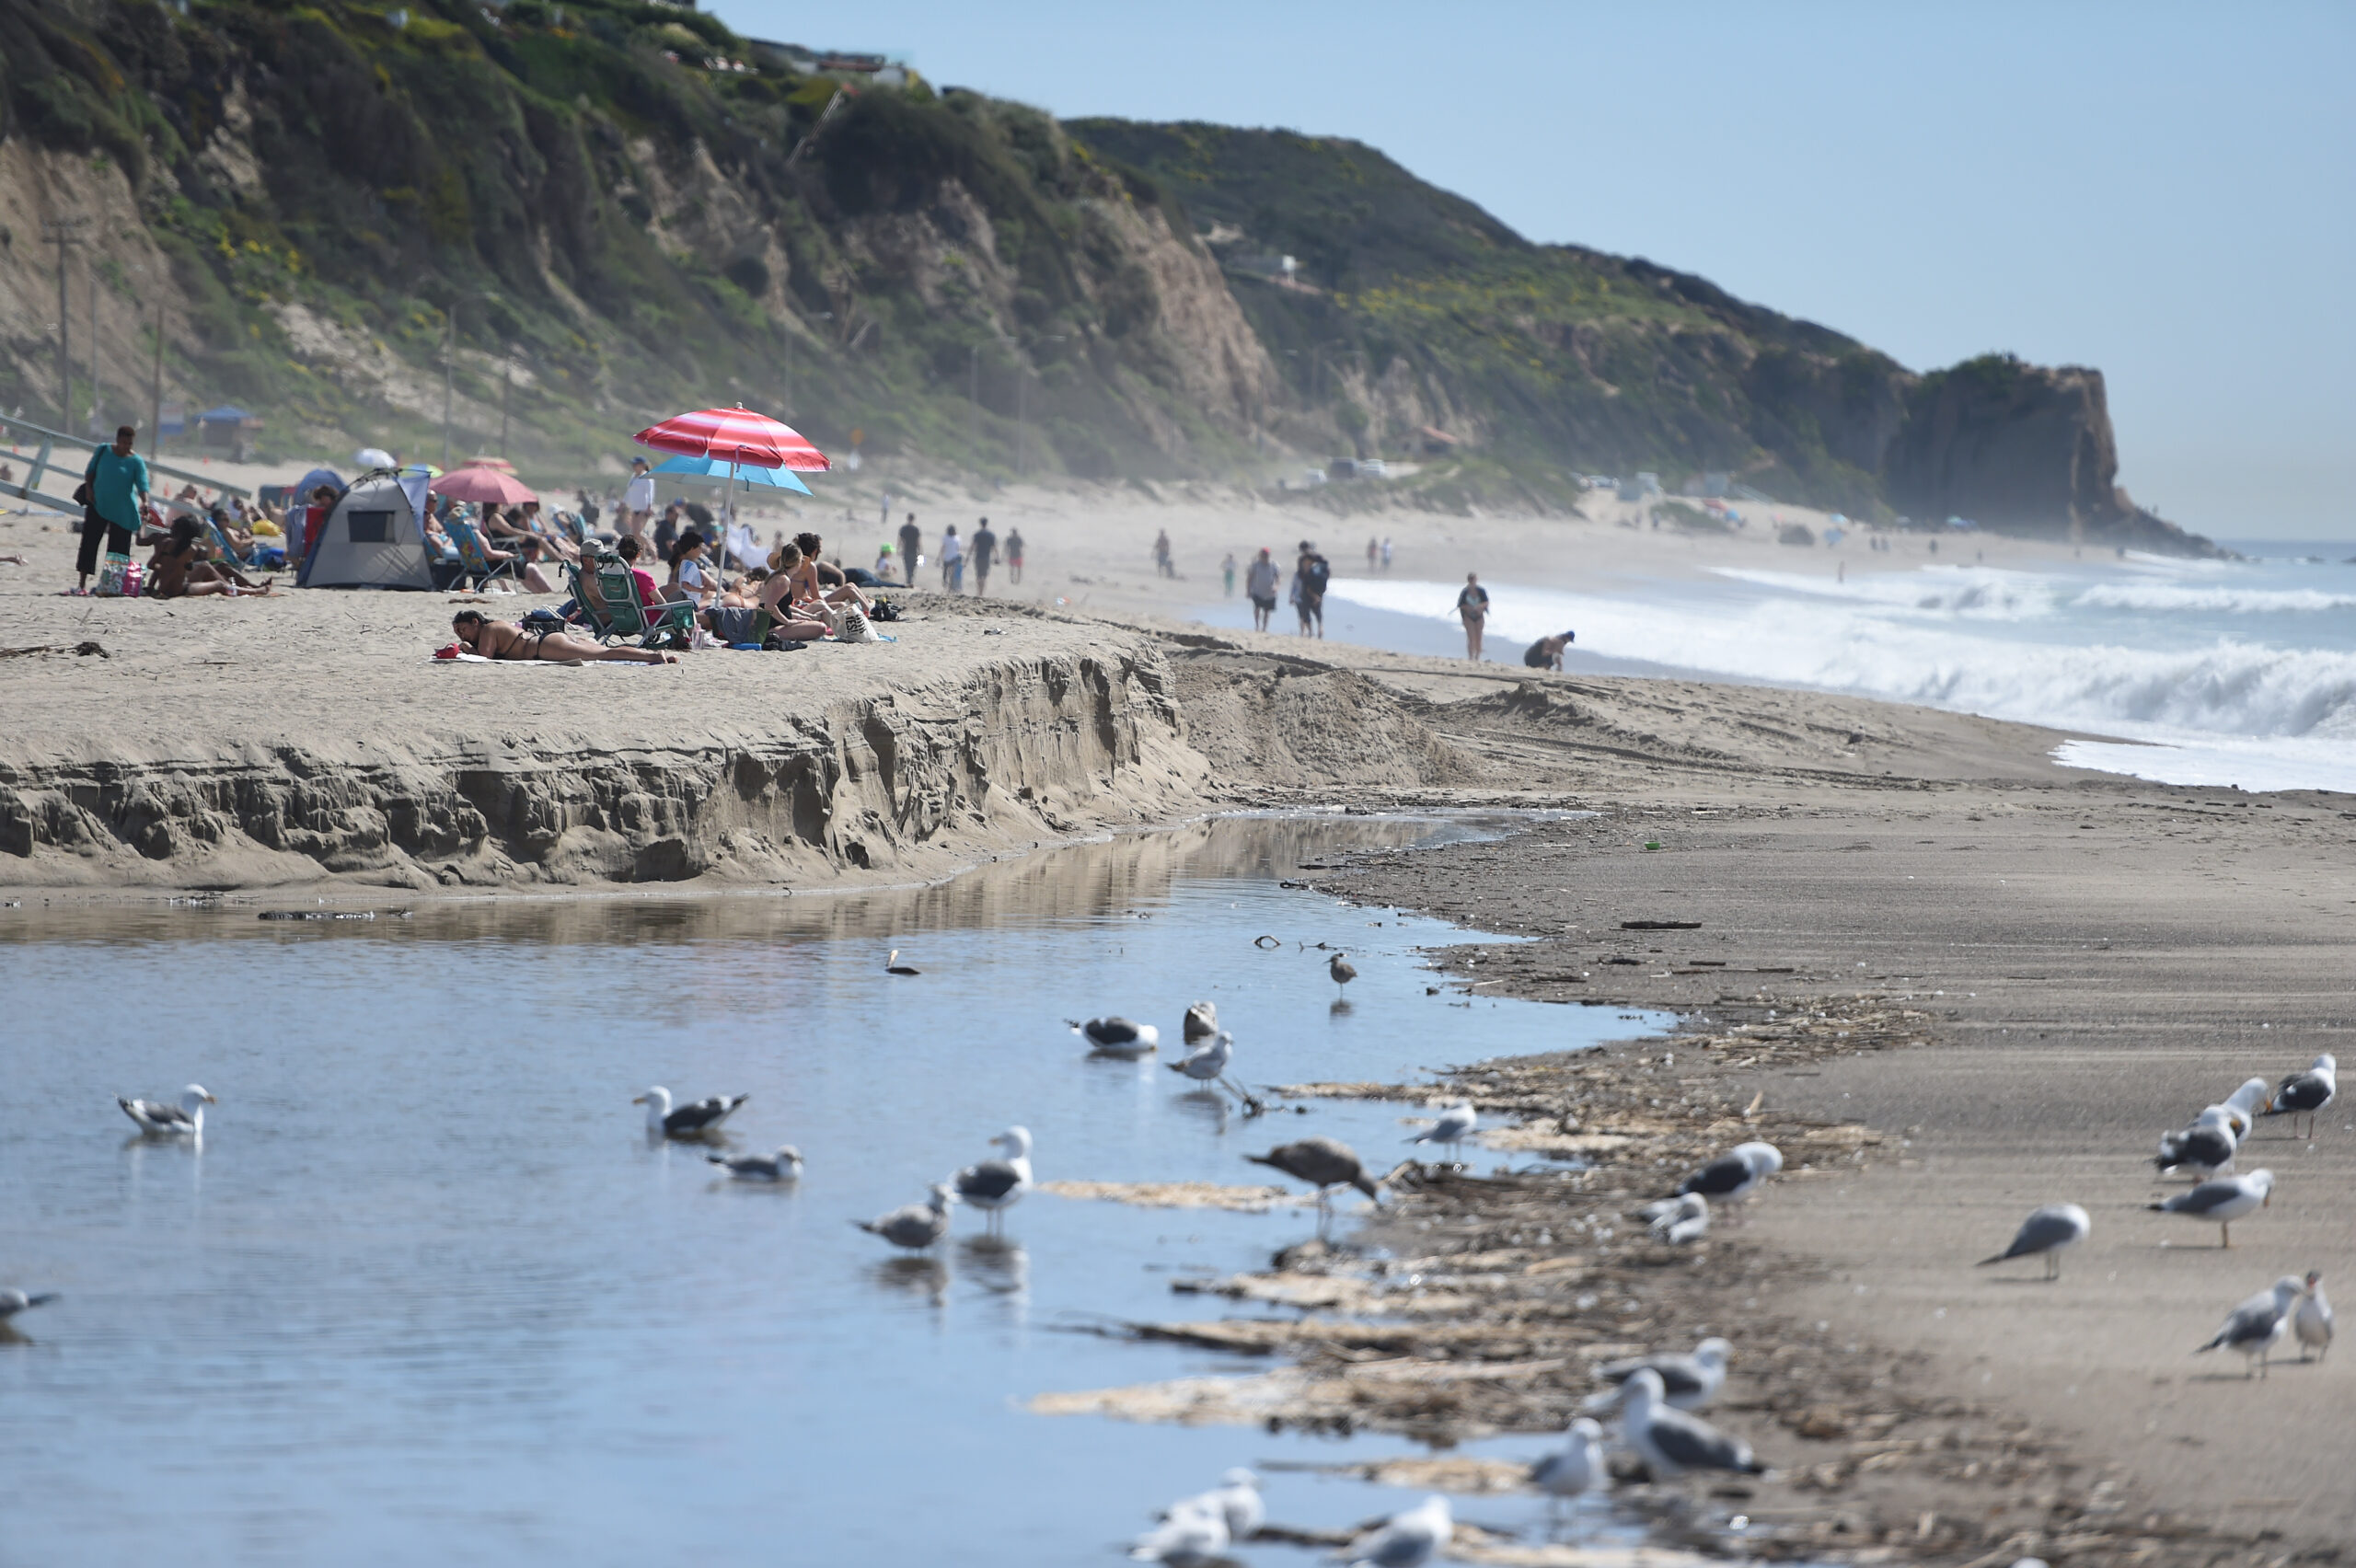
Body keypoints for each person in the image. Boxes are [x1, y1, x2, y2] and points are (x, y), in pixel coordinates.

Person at [451, 609, 677, 663]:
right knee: (600, 651)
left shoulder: (489, 629)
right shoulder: (495, 626)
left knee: (604, 653)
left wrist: (464, 647)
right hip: (547, 641)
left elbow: (485, 658)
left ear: (475, 622)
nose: (463, 635)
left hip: (545, 646)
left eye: (463, 629)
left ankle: (653, 657)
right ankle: (652, 655)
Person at [76, 424, 150, 591]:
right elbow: (90, 471)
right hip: (98, 503)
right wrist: (89, 489)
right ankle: (82, 583)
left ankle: (111, 586)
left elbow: (142, 485)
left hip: (123, 510)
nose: (126, 446)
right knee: (89, 543)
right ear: (117, 440)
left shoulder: (136, 461)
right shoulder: (103, 451)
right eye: (124, 442)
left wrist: (145, 502)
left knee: (118, 550)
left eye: (130, 443)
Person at [146, 517, 271, 598]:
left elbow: (152, 565)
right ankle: (256, 591)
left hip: (172, 586)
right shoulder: (190, 549)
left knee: (217, 566)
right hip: (179, 590)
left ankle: (251, 586)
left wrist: (159, 580)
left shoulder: (165, 543)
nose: (170, 528)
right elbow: (177, 570)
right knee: (219, 584)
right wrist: (162, 591)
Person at [667, 530, 718, 606]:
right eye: (700, 548)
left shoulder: (685, 564)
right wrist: (701, 590)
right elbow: (685, 585)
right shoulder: (690, 565)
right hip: (690, 602)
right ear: (692, 549)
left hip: (689, 600)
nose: (701, 551)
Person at [1294, 540, 1328, 639]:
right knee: (1318, 610)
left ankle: (1310, 632)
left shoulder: (1302, 559)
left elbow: (1301, 575)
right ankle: (1320, 628)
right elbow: (1327, 571)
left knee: (1306, 611)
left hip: (1307, 589)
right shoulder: (1319, 557)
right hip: (1319, 590)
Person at [1457, 572, 1490, 661]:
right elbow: (1460, 605)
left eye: (1474, 579)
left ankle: (1477, 657)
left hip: (1479, 616)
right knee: (1471, 638)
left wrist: (1479, 607)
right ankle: (1470, 657)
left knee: (1479, 637)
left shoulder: (1481, 591)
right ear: (1468, 580)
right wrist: (1469, 608)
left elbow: (1486, 602)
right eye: (1471, 579)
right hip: (1468, 616)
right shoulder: (1465, 592)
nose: (1472, 581)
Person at [1244, 547, 1278, 632]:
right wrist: (1248, 591)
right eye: (1263, 555)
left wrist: (1276, 586)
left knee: (1267, 611)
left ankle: (1264, 628)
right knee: (1257, 608)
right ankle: (1257, 625)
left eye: (1266, 555)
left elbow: (1278, 577)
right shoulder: (1255, 565)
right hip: (1257, 591)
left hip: (1269, 592)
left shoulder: (1274, 565)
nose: (1264, 557)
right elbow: (1250, 578)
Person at [621, 457, 654, 538]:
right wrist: (622, 504)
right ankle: (642, 551)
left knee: (637, 532)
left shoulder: (646, 476)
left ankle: (652, 548)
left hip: (643, 508)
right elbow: (629, 492)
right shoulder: (633, 476)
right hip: (634, 508)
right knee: (636, 534)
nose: (634, 466)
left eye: (636, 464)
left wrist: (649, 507)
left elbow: (650, 493)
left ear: (642, 465)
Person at [969, 517, 997, 594]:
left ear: (980, 523)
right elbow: (994, 547)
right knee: (984, 575)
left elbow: (973, 546)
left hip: (978, 556)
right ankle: (981, 592)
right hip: (986, 557)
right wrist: (997, 557)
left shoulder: (977, 534)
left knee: (978, 574)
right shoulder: (990, 535)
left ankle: (978, 591)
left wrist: (968, 556)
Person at [896, 513, 922, 586]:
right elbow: (918, 541)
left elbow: (900, 540)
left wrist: (898, 548)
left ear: (907, 518)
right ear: (913, 519)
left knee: (907, 566)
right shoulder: (916, 529)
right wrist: (921, 551)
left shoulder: (903, 528)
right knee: (913, 566)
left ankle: (909, 580)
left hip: (906, 550)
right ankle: (910, 580)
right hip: (914, 550)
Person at [940, 524, 964, 592]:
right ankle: (951, 587)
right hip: (954, 558)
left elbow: (943, 548)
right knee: (952, 574)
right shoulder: (957, 538)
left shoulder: (945, 537)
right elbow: (958, 548)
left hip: (946, 558)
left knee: (945, 573)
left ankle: (945, 586)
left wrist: (939, 557)